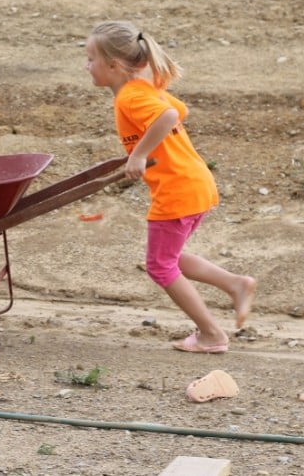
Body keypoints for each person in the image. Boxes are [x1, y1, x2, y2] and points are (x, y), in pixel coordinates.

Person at [85, 21, 256, 353]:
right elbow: (179, 109)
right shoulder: (142, 90)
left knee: (159, 266)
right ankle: (235, 284)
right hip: (194, 184)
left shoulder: (131, 96)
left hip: (177, 190)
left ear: (113, 65)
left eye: (90, 58)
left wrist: (140, 154)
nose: (86, 66)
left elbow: (166, 117)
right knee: (170, 258)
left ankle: (212, 334)